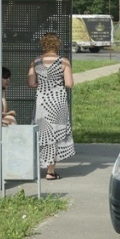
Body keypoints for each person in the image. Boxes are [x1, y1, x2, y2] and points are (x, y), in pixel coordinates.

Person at [28, 32, 75, 180]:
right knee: (55, 134)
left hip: (42, 101)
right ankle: (50, 171)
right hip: (58, 102)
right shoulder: (63, 62)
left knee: (41, 132)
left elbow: (31, 83)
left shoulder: (36, 62)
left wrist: (41, 84)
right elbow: (69, 84)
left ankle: (35, 167)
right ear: (57, 45)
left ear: (44, 45)